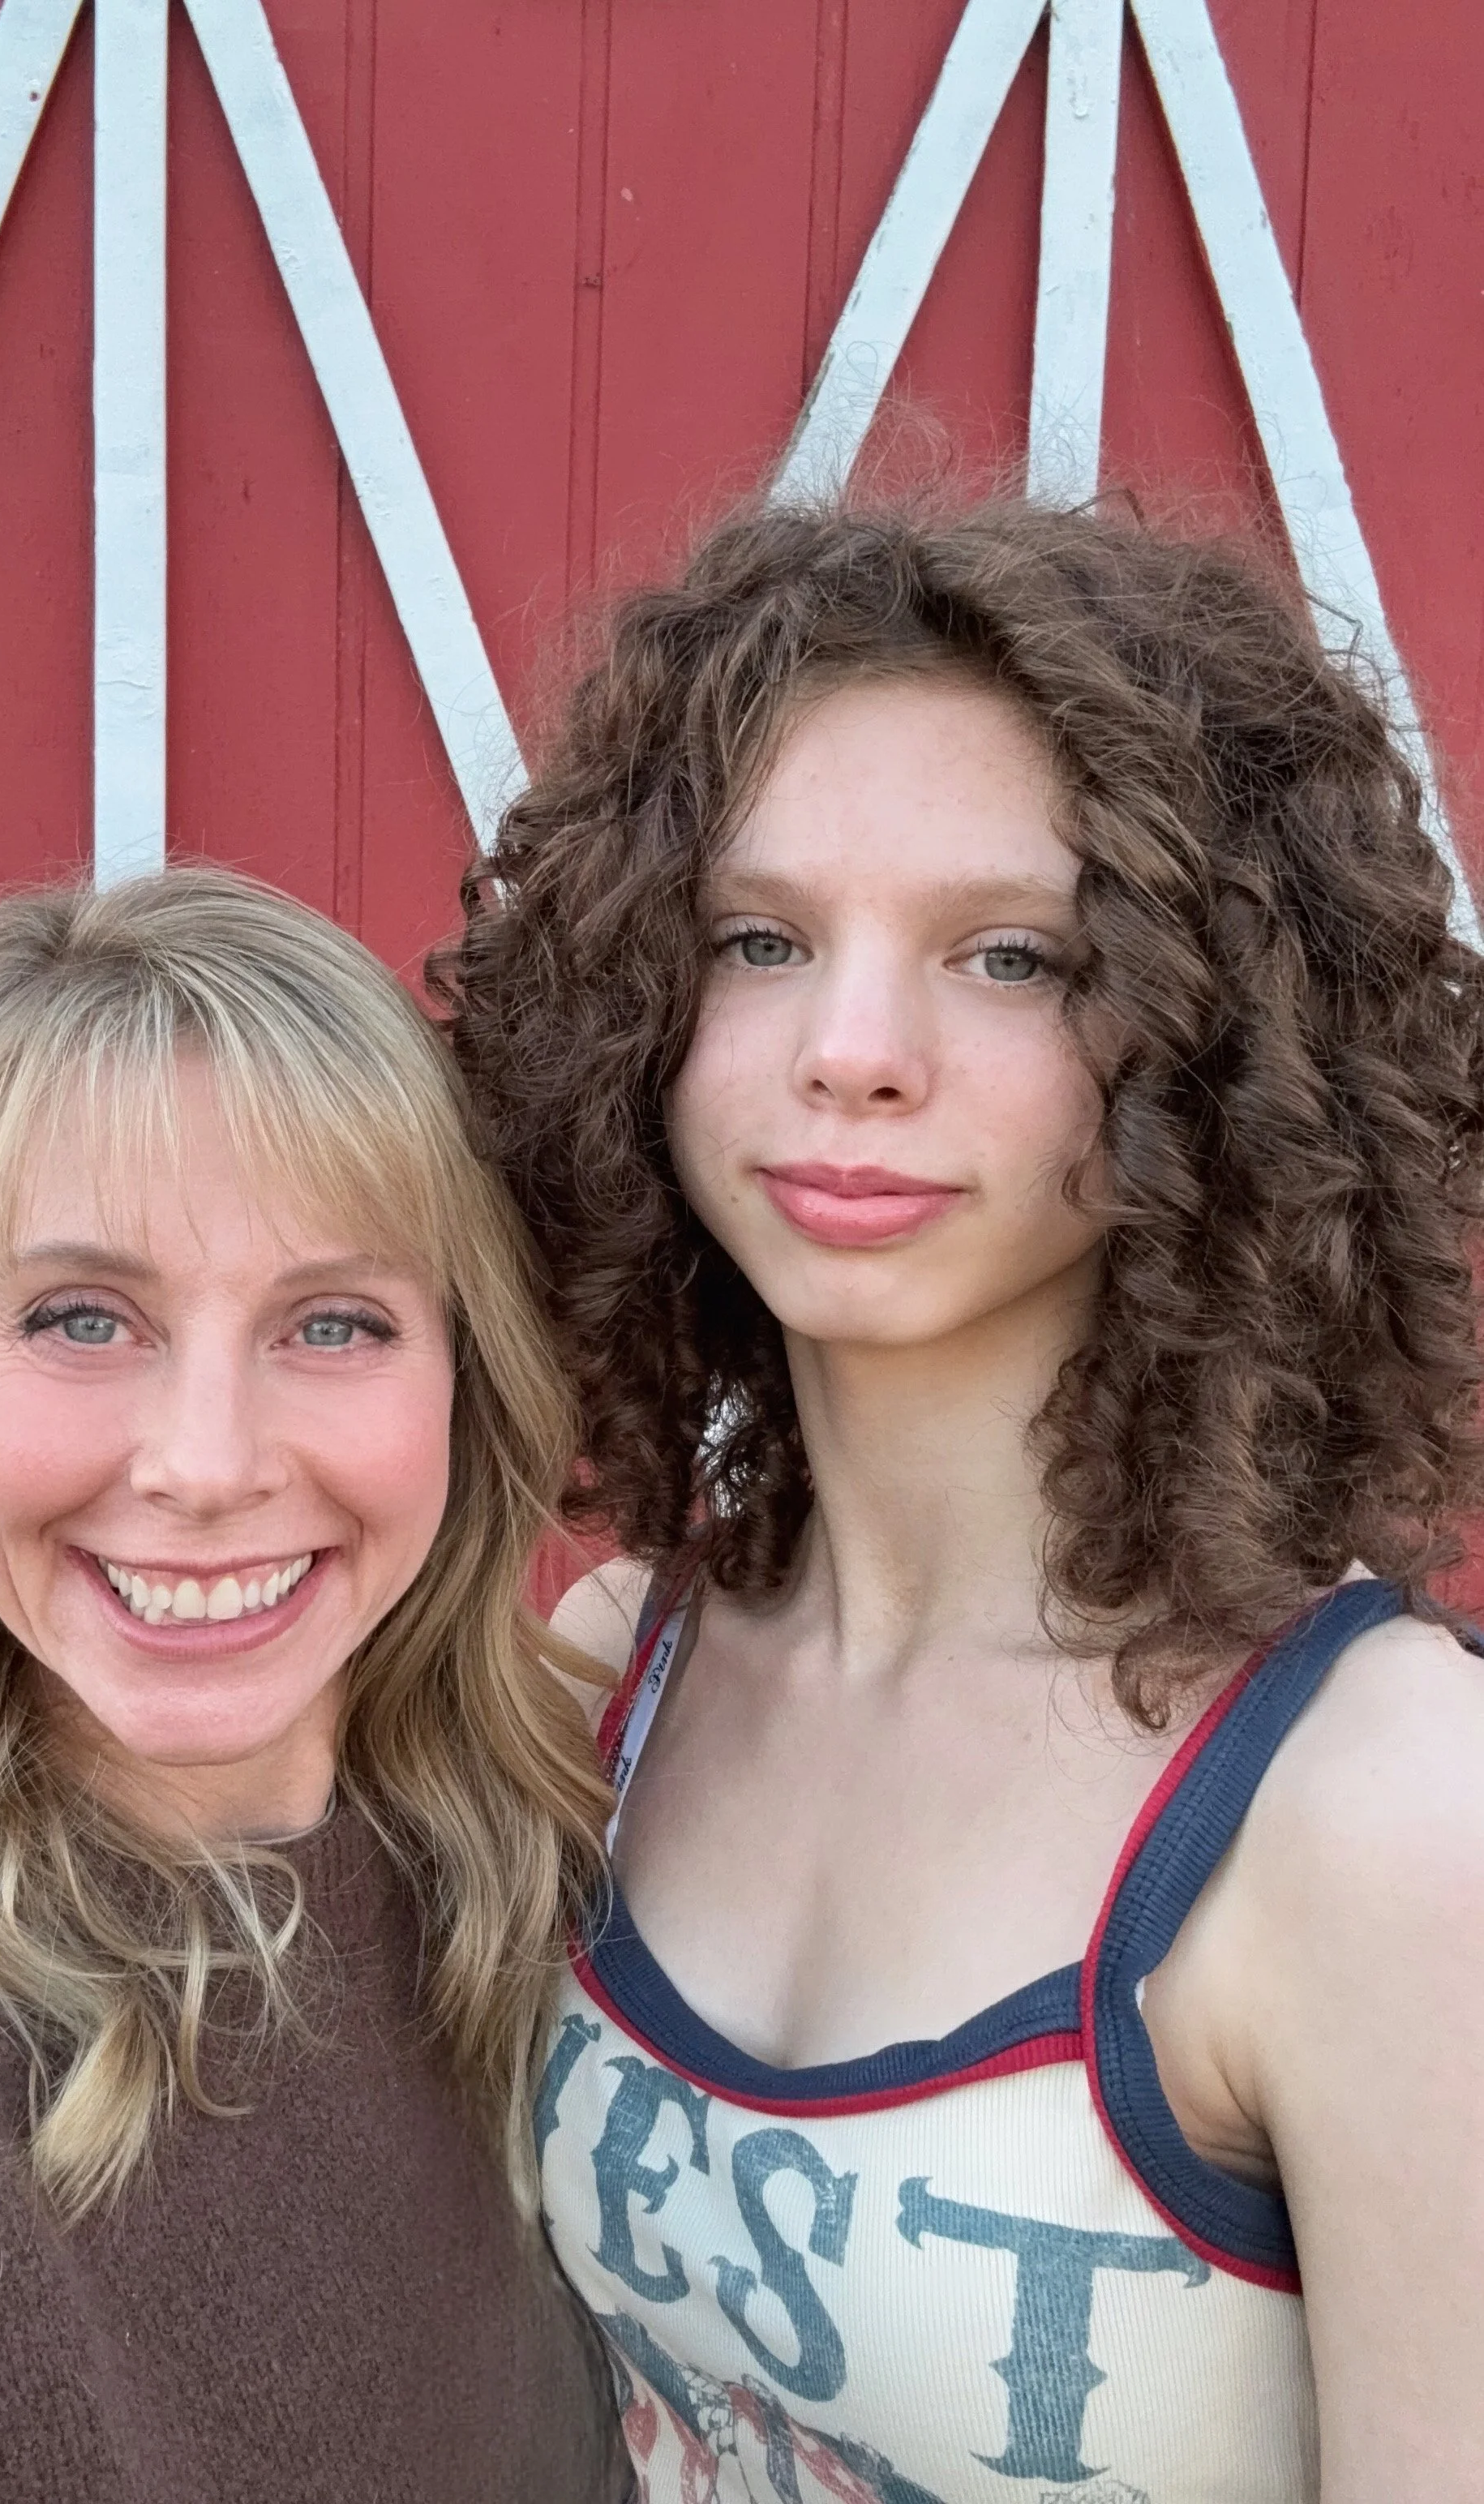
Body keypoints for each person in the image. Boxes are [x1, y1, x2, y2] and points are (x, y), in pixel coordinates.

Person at [435, 500, 1484, 2503]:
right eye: (760, 939)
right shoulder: (615, 1676)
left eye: (1012, 956)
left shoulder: (1382, 1813)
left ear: (1213, 1033)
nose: (853, 1055)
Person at [0, 867, 629, 2503]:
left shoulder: (537, 1881)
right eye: (83, 1317)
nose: (206, 1464)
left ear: (466, 1386)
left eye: (335, 1324)